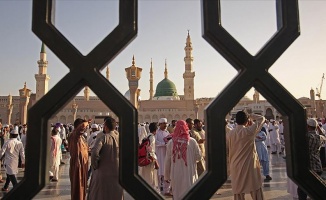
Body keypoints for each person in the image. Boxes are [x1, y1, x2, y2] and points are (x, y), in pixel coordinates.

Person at [228, 111, 265, 200]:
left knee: (238, 192)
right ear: (246, 120)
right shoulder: (249, 131)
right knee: (256, 189)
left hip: (236, 165)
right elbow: (262, 119)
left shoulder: (230, 133)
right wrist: (250, 116)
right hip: (249, 165)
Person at [164, 120, 202, 199]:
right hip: (190, 174)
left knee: (177, 195)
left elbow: (167, 161)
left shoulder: (171, 143)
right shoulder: (192, 141)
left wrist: (167, 176)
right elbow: (199, 157)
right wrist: (191, 160)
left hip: (176, 175)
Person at [88, 117, 123, 200]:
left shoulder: (103, 138)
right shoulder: (120, 138)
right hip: (117, 173)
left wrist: (95, 166)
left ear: (106, 127)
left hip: (103, 173)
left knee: (100, 194)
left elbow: (95, 153)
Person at [297, 118, 326, 200]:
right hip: (317, 166)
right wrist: (318, 128)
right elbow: (324, 136)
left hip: (307, 167)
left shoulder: (306, 136)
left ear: (308, 126)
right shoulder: (319, 137)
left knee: (302, 190)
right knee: (316, 190)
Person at [68, 118, 89, 200]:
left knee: (82, 187)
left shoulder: (80, 137)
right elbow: (82, 127)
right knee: (78, 187)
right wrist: (86, 123)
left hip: (82, 164)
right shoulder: (75, 135)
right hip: (78, 165)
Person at [141, 122, 159, 191]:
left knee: (146, 175)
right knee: (151, 177)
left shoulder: (146, 136)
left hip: (144, 159)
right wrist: (156, 161)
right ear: (156, 130)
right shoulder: (152, 137)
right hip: (150, 160)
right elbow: (150, 150)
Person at [155, 118, 171, 196]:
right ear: (160, 124)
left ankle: (166, 190)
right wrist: (163, 144)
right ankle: (159, 190)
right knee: (159, 172)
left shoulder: (167, 132)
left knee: (166, 171)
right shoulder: (157, 132)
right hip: (159, 154)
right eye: (163, 123)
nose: (165, 125)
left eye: (166, 123)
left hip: (166, 154)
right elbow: (155, 142)